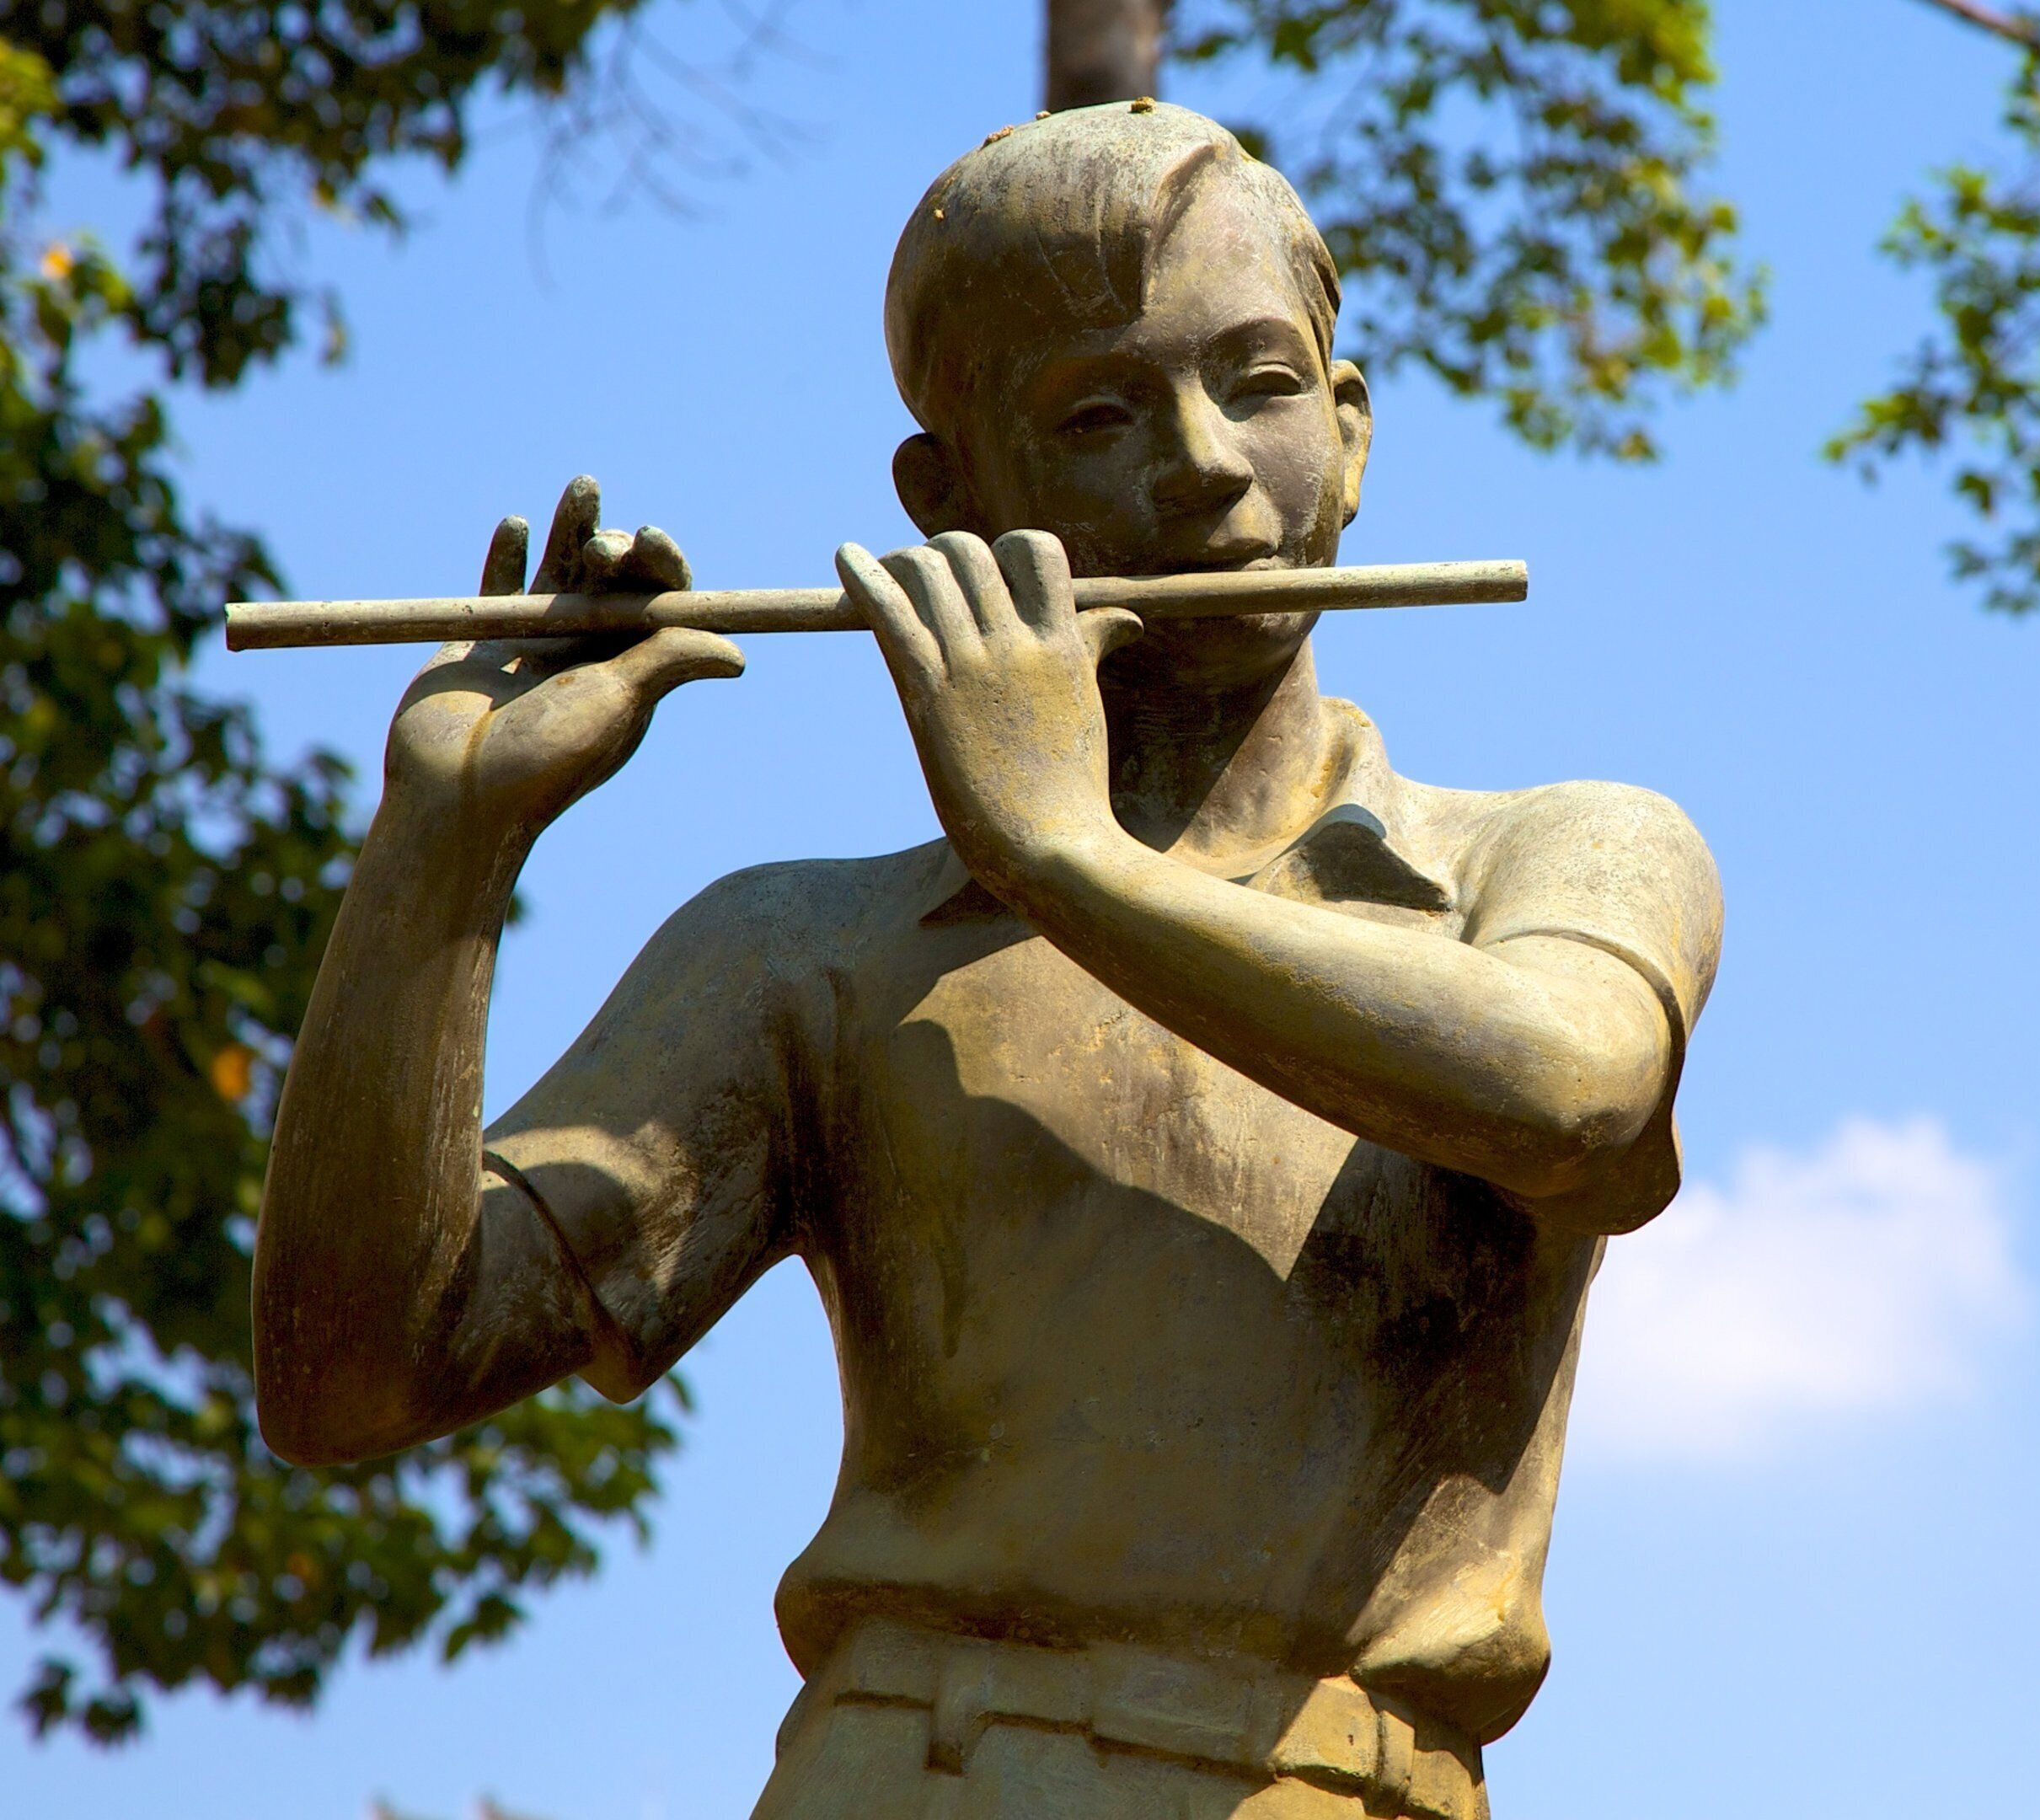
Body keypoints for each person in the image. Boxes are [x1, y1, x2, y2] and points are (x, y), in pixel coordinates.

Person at [253, 100, 1719, 1820]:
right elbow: (351, 1375)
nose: (1201, 464)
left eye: (1256, 382)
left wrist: (1063, 854)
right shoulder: (809, 954)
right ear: (950, 502)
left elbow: (1575, 1095)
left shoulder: (1558, 855)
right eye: (1096, 412)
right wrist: (443, 849)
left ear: (1352, 421)